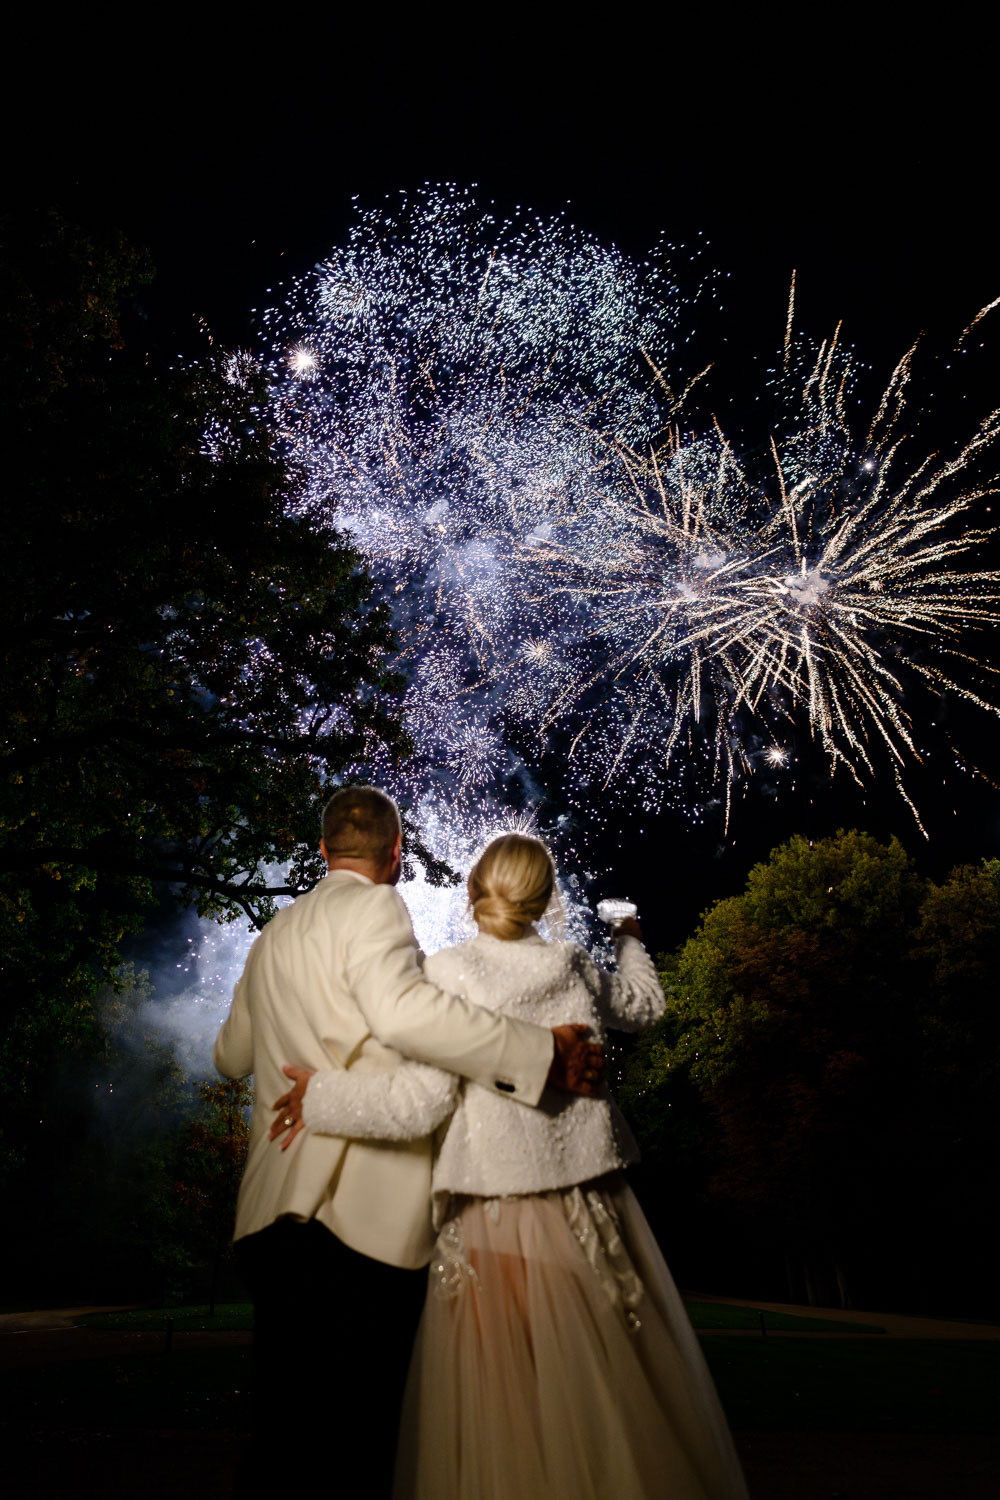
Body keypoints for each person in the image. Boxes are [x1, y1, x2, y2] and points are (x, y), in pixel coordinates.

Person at [273, 833, 750, 1500]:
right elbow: (645, 1007)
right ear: (547, 898)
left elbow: (417, 1105)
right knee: (597, 1394)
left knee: (507, 1404)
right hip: (590, 1208)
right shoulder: (575, 965)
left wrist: (319, 1097)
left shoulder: (447, 974)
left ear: (472, 892)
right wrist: (629, 935)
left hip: (492, 1215)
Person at [212, 787, 603, 1498]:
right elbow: (401, 1015)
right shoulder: (376, 907)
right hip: (358, 1218)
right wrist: (537, 1049)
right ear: (395, 854)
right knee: (362, 1446)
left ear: (322, 850)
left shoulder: (273, 935)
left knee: (281, 1442)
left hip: (269, 1217)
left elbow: (230, 1056)